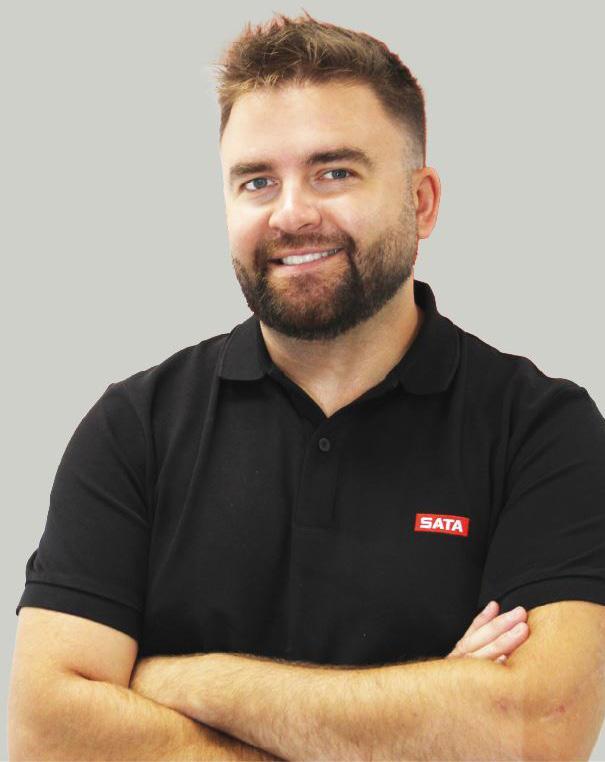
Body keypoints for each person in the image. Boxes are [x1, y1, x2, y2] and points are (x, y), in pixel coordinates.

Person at [12, 10, 605, 761]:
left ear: (421, 202)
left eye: (334, 172)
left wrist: (185, 681)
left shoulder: (541, 430)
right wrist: (431, 719)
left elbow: (537, 729)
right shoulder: (134, 428)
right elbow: (46, 734)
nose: (291, 214)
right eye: (257, 181)